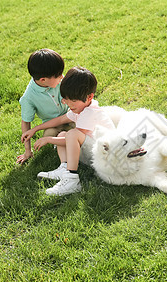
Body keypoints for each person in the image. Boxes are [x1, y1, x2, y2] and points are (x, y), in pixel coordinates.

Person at [21, 67, 115, 196]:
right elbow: (60, 120)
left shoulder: (90, 112)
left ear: (89, 97)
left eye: (73, 101)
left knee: (71, 134)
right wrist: (35, 129)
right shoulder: (80, 108)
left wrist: (48, 139)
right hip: (92, 151)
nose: (69, 104)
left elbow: (73, 138)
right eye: (66, 99)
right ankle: (65, 168)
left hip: (106, 156)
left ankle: (72, 180)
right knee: (63, 134)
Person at [16, 49, 73, 164]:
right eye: (58, 75)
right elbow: (26, 122)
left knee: (82, 125)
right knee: (49, 134)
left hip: (69, 116)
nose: (62, 77)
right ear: (43, 80)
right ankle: (63, 142)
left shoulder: (58, 81)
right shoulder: (29, 97)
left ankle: (69, 139)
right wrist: (28, 151)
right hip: (51, 124)